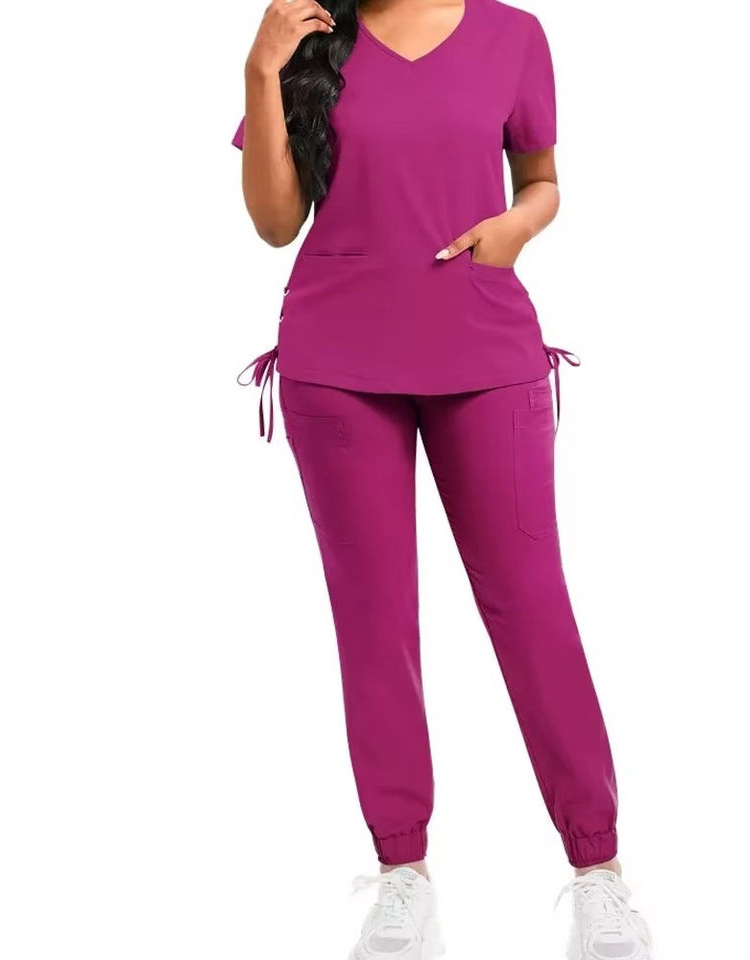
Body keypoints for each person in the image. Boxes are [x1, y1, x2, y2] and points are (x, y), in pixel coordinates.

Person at [233, 1, 653, 957]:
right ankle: (402, 877)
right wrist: (261, 71)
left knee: (532, 607)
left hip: (485, 351)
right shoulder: (307, 36)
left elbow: (542, 182)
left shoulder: (514, 36)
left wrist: (516, 229)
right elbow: (273, 222)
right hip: (338, 364)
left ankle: (598, 872)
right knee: (374, 621)